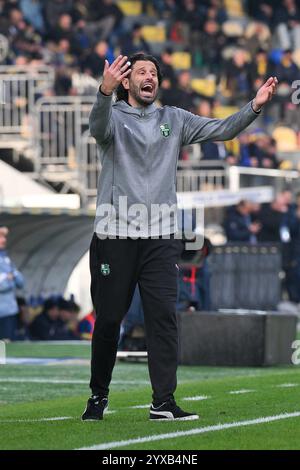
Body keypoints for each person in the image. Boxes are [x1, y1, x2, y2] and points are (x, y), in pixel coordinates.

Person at [82, 52, 278, 422]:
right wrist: (103, 92)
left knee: (164, 319)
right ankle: (98, 395)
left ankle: (163, 402)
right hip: (115, 234)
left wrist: (254, 106)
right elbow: (96, 127)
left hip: (160, 236)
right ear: (126, 82)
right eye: (141, 71)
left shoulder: (174, 118)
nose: (149, 77)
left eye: (153, 72)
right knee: (109, 320)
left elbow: (222, 129)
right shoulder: (112, 117)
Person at [0, 226, 25, 340]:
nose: (4, 240)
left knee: (8, 345)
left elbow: (20, 281)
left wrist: (10, 278)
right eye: (0, 236)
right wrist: (8, 279)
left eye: (4, 236)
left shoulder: (6, 258)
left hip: (9, 310)